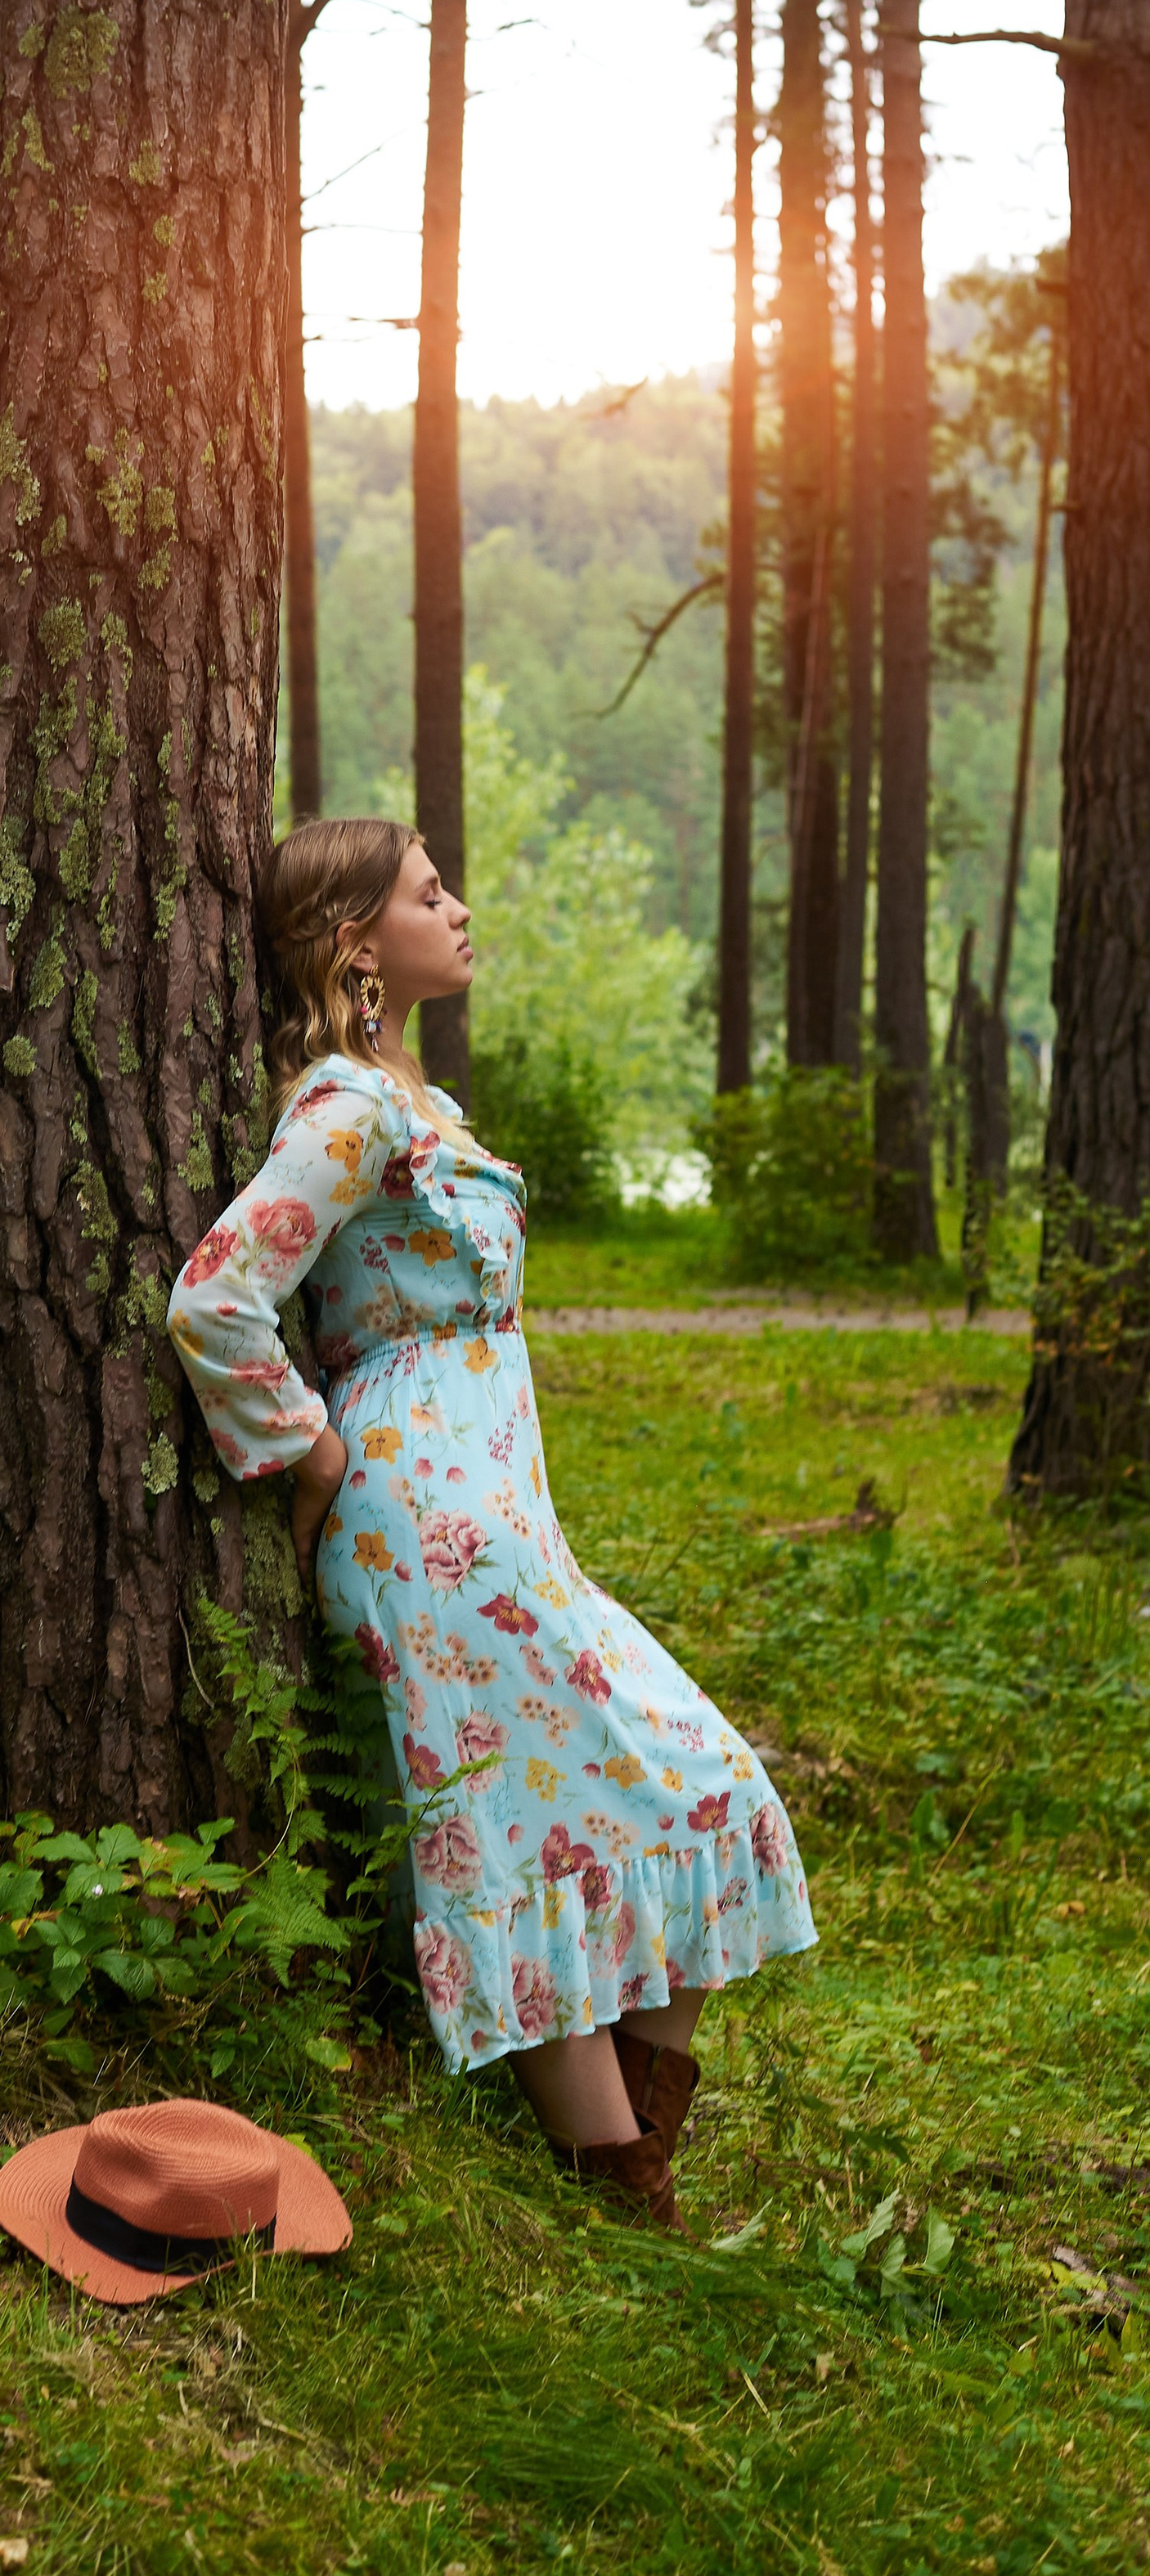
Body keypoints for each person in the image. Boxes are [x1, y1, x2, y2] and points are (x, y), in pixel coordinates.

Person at [164, 816, 814, 2226]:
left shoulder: (415, 1098)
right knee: (523, 1834)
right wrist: (308, 1452)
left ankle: (633, 2137)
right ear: (356, 945)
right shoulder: (346, 1106)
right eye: (425, 892)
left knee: (703, 1780)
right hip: (425, 1523)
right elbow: (215, 1292)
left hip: (501, 1517)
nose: (457, 909)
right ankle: (619, 2188)